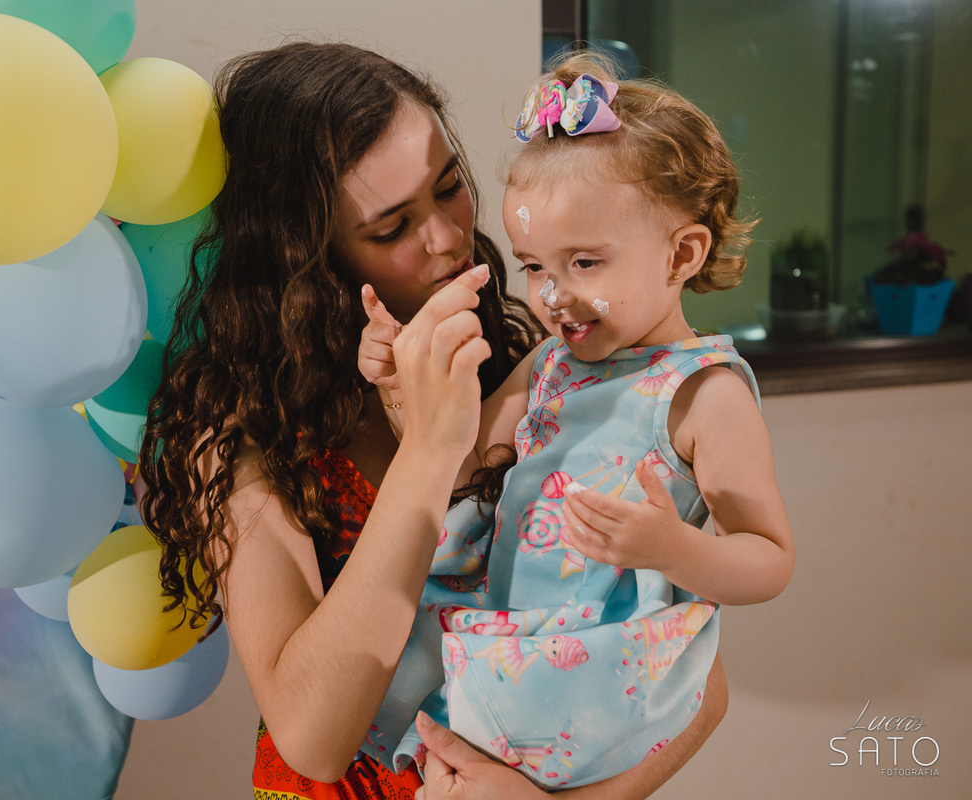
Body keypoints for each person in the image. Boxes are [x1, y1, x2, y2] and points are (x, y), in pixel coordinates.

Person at [139, 42, 729, 800]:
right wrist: (429, 451)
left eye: (450, 187)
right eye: (391, 229)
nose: (448, 237)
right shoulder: (242, 428)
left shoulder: (525, 363)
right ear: (306, 252)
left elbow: (691, 673)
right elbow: (314, 738)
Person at [356, 51, 794, 792]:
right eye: (533, 267)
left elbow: (770, 558)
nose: (553, 296)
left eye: (585, 262)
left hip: (590, 676)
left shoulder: (702, 394)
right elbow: (463, 476)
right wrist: (405, 395)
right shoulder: (551, 364)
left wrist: (674, 548)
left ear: (682, 254)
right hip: (502, 646)